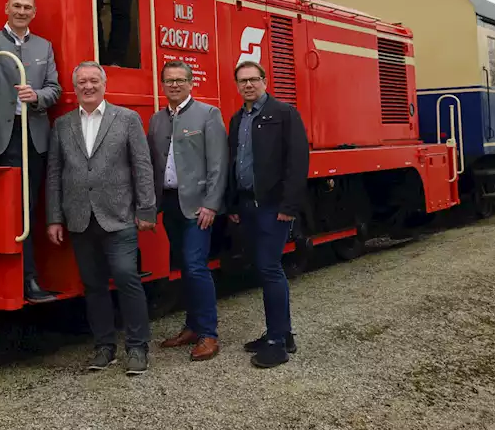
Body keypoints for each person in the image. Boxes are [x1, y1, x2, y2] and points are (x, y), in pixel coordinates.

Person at [46, 61, 156, 375]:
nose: (88, 86)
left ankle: (137, 347)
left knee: (126, 277)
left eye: (94, 80)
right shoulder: (63, 125)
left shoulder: (127, 119)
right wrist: (54, 218)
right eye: (82, 82)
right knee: (93, 286)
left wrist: (146, 210)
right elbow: (55, 174)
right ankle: (104, 347)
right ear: (75, 87)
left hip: (119, 216)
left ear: (104, 84)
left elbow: (143, 167)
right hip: (79, 218)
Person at [0, 0, 61, 304]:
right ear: (6, 8)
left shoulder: (44, 47)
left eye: (28, 8)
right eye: (17, 6)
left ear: (34, 13)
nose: (22, 11)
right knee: (9, 211)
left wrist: (36, 97)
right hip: (0, 140)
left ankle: (29, 278)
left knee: (30, 208)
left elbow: (55, 90)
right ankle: (17, 279)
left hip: (33, 138)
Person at [226, 62, 309, 369]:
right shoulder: (238, 119)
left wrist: (289, 208)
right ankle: (281, 333)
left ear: (264, 81)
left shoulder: (284, 114)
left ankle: (277, 343)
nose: (248, 85)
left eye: (253, 79)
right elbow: (234, 162)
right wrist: (233, 204)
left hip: (273, 207)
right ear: (237, 85)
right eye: (242, 81)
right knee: (263, 268)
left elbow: (298, 163)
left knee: (270, 267)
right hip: (247, 205)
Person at [147, 61, 227, 362]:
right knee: (183, 266)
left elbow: (219, 164)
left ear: (191, 83)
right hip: (169, 204)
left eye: (180, 80)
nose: (174, 85)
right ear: (163, 85)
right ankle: (192, 327)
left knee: (196, 266)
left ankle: (209, 334)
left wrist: (211, 204)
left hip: (198, 207)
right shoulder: (157, 120)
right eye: (169, 81)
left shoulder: (208, 114)